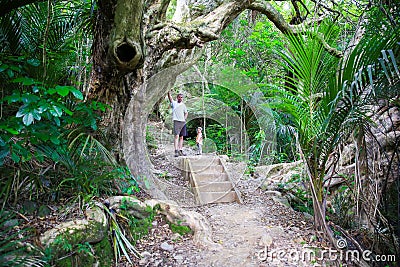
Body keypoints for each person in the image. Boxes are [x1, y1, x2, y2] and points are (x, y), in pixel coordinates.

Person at [168, 91, 188, 157]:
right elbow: (170, 98)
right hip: (176, 121)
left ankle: (180, 150)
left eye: (181, 97)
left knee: (181, 137)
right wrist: (168, 92)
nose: (180, 98)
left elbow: (186, 113)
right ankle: (176, 151)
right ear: (177, 98)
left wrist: (184, 119)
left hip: (183, 122)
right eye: (179, 97)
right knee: (177, 136)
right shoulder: (174, 103)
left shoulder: (183, 105)